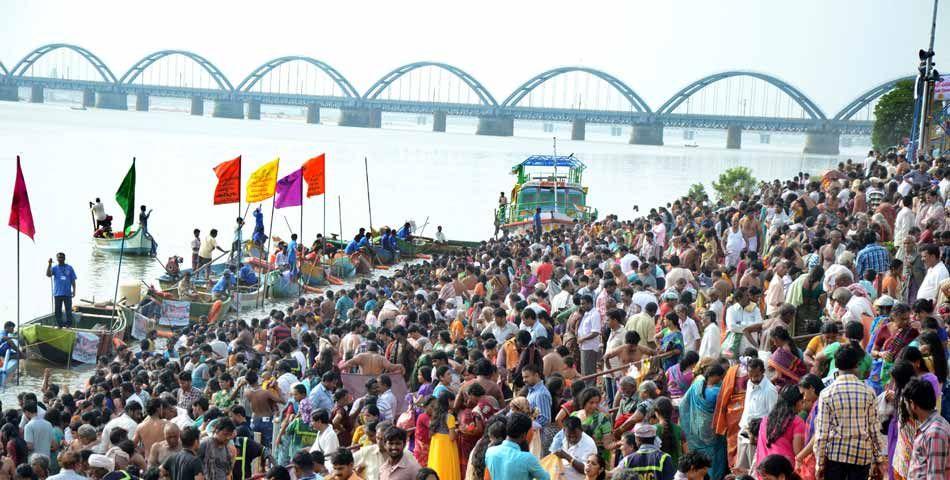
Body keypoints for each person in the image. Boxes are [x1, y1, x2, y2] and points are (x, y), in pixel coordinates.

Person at [813, 344, 884, 479]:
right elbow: (874, 429)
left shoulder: (826, 393)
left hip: (835, 457)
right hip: (861, 456)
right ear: (857, 364)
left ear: (836, 365)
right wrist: (878, 459)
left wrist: (820, 463)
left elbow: (822, 433)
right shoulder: (868, 392)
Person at [678, 363, 726, 480]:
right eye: (720, 377)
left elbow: (683, 403)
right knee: (715, 458)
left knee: (699, 458)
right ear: (715, 376)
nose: (721, 379)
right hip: (712, 432)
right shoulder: (717, 392)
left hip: (696, 431)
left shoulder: (697, 385)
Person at [904, 377, 950, 478]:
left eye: (906, 404)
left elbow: (935, 476)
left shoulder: (935, 433)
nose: (906, 408)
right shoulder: (930, 426)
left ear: (913, 404)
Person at [485, 413, 549, 480]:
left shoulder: (490, 452)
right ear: (524, 435)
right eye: (531, 431)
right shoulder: (528, 459)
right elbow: (546, 478)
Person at [755, 386, 806, 468]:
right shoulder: (797, 422)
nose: (802, 406)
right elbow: (798, 452)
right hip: (784, 470)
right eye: (801, 402)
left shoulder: (765, 420)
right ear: (795, 402)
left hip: (763, 471)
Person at [427, 393, 460, 480]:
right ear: (449, 401)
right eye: (453, 401)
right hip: (447, 446)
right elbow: (452, 437)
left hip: (436, 445)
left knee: (437, 465)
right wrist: (457, 431)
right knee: (448, 468)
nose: (454, 403)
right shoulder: (450, 417)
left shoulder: (434, 416)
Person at [45, 253, 77, 328]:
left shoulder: (69, 268)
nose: (60, 259)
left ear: (64, 258)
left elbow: (73, 280)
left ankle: (68, 325)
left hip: (67, 293)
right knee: (57, 311)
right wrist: (49, 264)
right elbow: (48, 274)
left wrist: (74, 291)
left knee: (68, 310)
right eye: (59, 258)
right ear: (57, 259)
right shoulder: (55, 268)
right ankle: (60, 325)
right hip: (57, 293)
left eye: (62, 257)